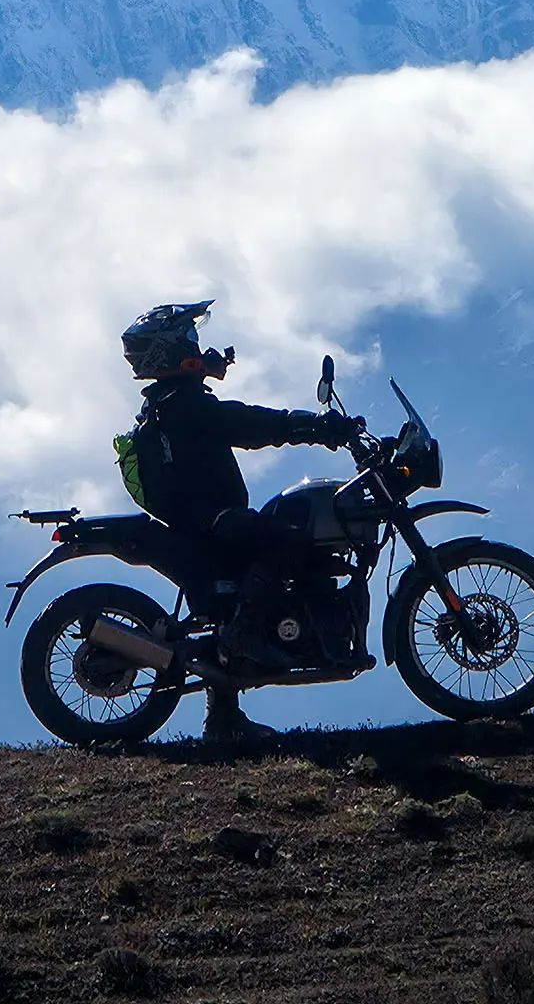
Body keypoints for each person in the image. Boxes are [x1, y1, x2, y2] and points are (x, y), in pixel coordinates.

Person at [114, 300, 358, 745]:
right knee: (287, 539)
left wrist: (204, 369)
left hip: (204, 520)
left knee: (227, 605)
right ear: (169, 350)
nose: (196, 346)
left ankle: (224, 719)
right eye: (188, 340)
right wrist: (315, 427)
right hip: (214, 521)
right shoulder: (183, 403)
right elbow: (248, 423)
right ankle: (245, 636)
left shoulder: (170, 400)